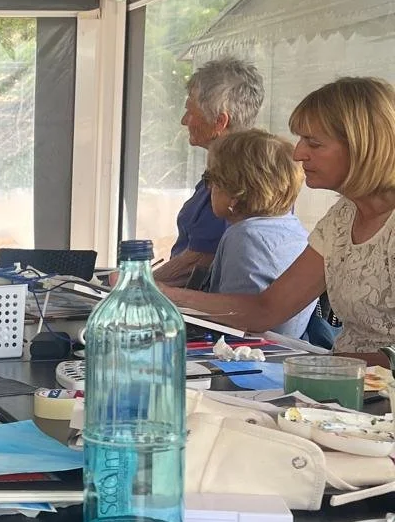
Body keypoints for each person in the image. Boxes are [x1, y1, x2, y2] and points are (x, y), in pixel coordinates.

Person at [164, 77, 395, 363]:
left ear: (364, 146)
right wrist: (163, 295)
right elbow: (267, 309)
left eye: (314, 143)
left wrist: (326, 367)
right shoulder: (342, 217)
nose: (298, 153)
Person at [152, 57, 265, 287]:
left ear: (220, 121)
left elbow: (197, 262)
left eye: (190, 111)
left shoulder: (236, 180)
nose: (184, 121)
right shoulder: (230, 168)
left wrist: (132, 286)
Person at [202, 129, 316, 339]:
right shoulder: (293, 227)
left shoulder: (244, 237)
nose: (208, 188)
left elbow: (234, 324)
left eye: (211, 178)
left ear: (236, 192)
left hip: (252, 352)